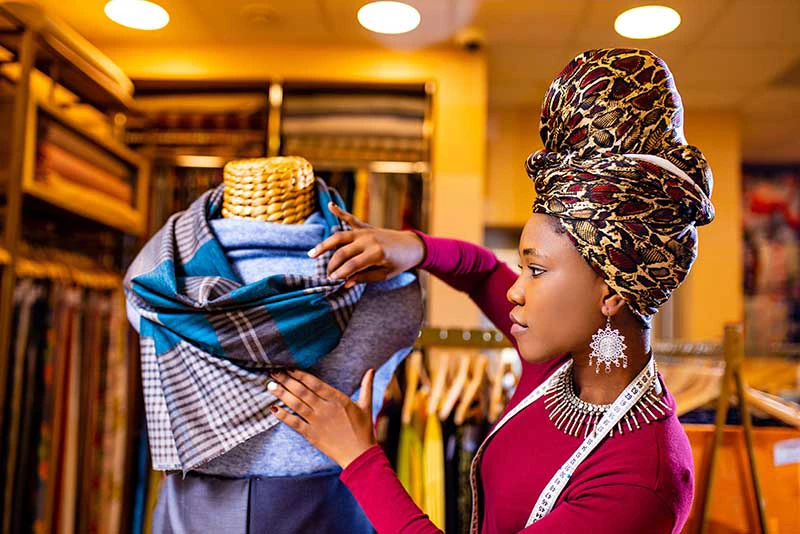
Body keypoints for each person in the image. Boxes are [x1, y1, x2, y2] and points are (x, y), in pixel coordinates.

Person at [267, 48, 714, 533]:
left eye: (537, 271)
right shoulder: (558, 366)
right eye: (520, 267)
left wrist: (360, 457)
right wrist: (409, 247)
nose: (513, 293)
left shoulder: (641, 479)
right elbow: (480, 270)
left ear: (611, 293)